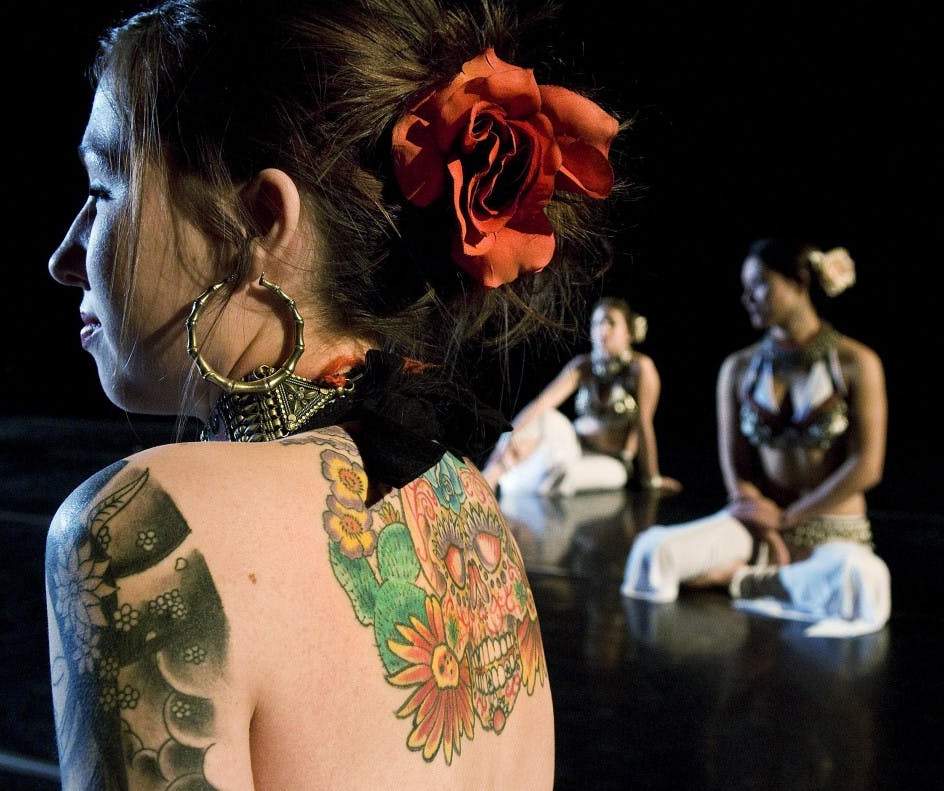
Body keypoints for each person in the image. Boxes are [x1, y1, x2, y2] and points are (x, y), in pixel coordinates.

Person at [43, 0, 623, 787]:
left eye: (105, 190)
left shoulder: (144, 531)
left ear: (255, 224)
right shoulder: (468, 499)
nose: (65, 256)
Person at [620, 237, 890, 637]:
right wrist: (764, 521)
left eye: (759, 284)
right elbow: (737, 467)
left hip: (833, 529)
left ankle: (741, 582)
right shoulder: (739, 368)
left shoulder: (856, 362)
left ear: (799, 283)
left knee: (859, 579)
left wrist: (788, 519)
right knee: (651, 551)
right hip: (758, 525)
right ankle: (774, 580)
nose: (747, 297)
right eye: (745, 287)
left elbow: (867, 467)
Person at [481, 297, 683, 496]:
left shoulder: (640, 369)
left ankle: (515, 485)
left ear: (629, 333)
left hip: (612, 461)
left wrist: (652, 479)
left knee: (565, 475)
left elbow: (644, 424)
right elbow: (542, 404)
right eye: (597, 323)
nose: (602, 330)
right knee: (544, 418)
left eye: (611, 322)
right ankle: (489, 477)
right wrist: (506, 443)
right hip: (574, 446)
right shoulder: (583, 366)